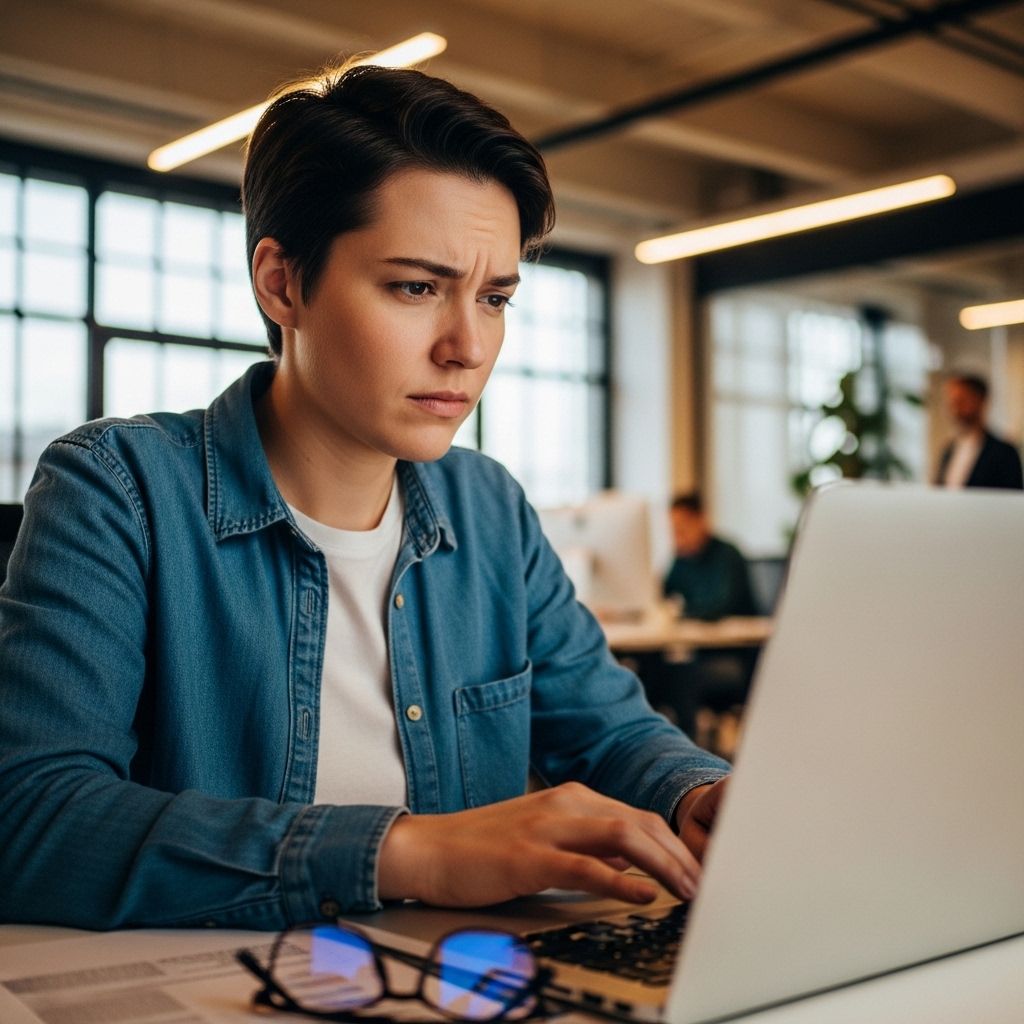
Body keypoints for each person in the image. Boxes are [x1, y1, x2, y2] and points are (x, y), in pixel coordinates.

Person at [0, 65, 730, 931]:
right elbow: (31, 819)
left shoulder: (488, 508)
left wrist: (699, 796)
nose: (467, 347)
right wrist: (416, 852)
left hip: (452, 978)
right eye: (417, 288)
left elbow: (610, 730)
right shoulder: (119, 489)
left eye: (494, 298)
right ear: (282, 284)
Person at [664, 492, 757, 621]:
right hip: (702, 635)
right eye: (674, 531)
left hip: (739, 636)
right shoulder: (682, 559)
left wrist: (682, 614)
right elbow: (663, 593)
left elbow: (721, 606)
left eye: (682, 530)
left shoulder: (727, 555)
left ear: (701, 520)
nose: (678, 539)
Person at [934, 373, 1023, 490]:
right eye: (951, 402)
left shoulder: (1004, 453)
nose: (954, 409)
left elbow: (1012, 498)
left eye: (961, 401)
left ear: (981, 400)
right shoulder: (949, 450)